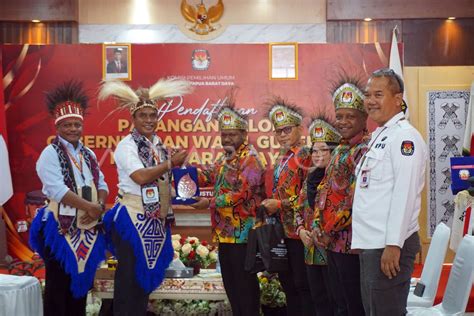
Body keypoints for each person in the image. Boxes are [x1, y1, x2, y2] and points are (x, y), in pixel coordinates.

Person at [99, 78, 192, 315]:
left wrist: (188, 195)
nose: (149, 120)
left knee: (141, 287)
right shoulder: (126, 146)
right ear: (134, 118)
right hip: (131, 218)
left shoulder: (157, 144)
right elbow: (140, 177)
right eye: (144, 116)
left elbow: (164, 181)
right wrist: (170, 163)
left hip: (154, 220)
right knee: (128, 282)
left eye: (153, 115)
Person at [30, 80, 109, 316]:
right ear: (58, 127)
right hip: (58, 229)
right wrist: (91, 207)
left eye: (77, 124)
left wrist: (100, 206)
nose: (74, 129)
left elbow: (102, 184)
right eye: (68, 125)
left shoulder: (89, 153)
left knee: (80, 289)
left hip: (87, 228)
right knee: (58, 288)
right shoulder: (50, 153)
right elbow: (56, 190)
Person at [352, 68, 427, 316]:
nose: (371, 101)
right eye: (368, 94)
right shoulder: (381, 135)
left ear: (398, 99)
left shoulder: (406, 138)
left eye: (379, 94)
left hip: (389, 246)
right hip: (373, 245)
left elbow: (403, 193)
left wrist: (394, 244)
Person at [190, 102, 266, 316]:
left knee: (245, 287)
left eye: (232, 135)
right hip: (225, 234)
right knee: (232, 286)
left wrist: (209, 203)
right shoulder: (227, 158)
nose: (227, 139)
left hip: (243, 234)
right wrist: (183, 170)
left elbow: (243, 192)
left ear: (244, 133)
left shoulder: (250, 158)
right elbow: (207, 175)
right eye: (224, 135)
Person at [312, 79, 369, 316]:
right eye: (340, 116)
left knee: (353, 306)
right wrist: (316, 224)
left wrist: (327, 229)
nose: (343, 122)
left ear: (364, 117)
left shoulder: (365, 149)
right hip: (332, 242)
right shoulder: (339, 149)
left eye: (350, 116)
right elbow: (323, 189)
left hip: (352, 244)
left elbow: (354, 199)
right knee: (338, 305)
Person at [261, 97, 314, 316]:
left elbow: (310, 197)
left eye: (287, 129)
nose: (282, 134)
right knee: (288, 286)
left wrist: (279, 204)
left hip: (300, 234)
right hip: (281, 231)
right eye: (278, 131)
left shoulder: (306, 155)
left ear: (299, 129)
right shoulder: (282, 157)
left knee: (303, 287)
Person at [295, 115, 341, 316]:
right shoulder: (310, 178)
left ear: (334, 151)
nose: (318, 154)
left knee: (336, 300)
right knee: (317, 300)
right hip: (310, 251)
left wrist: (320, 231)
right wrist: (301, 230)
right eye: (315, 150)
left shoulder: (338, 178)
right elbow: (298, 207)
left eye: (324, 150)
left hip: (331, 248)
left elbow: (342, 210)